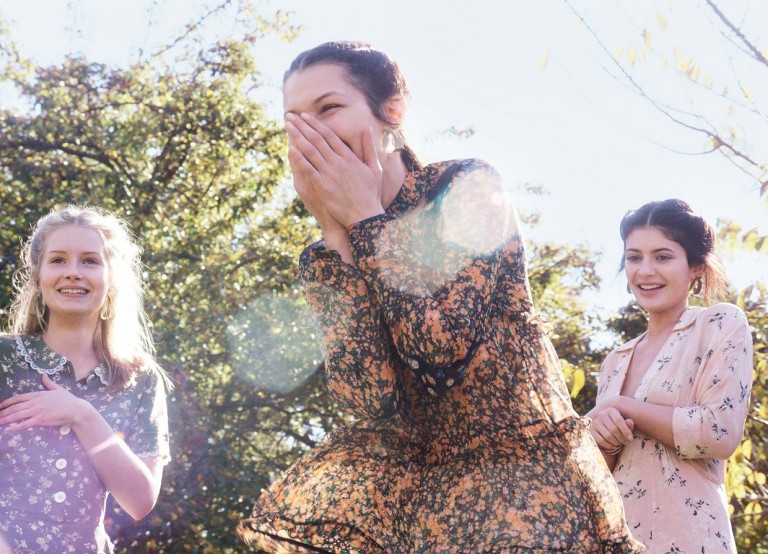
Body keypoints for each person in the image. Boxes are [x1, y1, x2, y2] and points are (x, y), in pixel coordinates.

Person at [237, 41, 643, 553]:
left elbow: (438, 352)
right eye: (294, 121)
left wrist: (365, 219)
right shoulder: (324, 256)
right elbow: (367, 397)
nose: (310, 133)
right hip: (429, 515)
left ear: (392, 111)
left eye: (329, 108)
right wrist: (337, 236)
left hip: (527, 494)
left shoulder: (464, 188)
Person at [0, 205, 171, 553]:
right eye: (58, 260)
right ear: (37, 276)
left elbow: (139, 501)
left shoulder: (138, 378)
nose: (73, 272)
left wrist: (82, 415)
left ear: (112, 279)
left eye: (90, 261)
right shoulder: (5, 360)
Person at [588, 199, 753, 552]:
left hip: (693, 539)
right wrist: (604, 441)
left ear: (696, 267)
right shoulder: (615, 361)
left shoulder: (719, 324)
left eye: (662, 257)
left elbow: (719, 432)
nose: (645, 271)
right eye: (634, 257)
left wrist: (623, 406)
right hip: (620, 541)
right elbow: (600, 475)